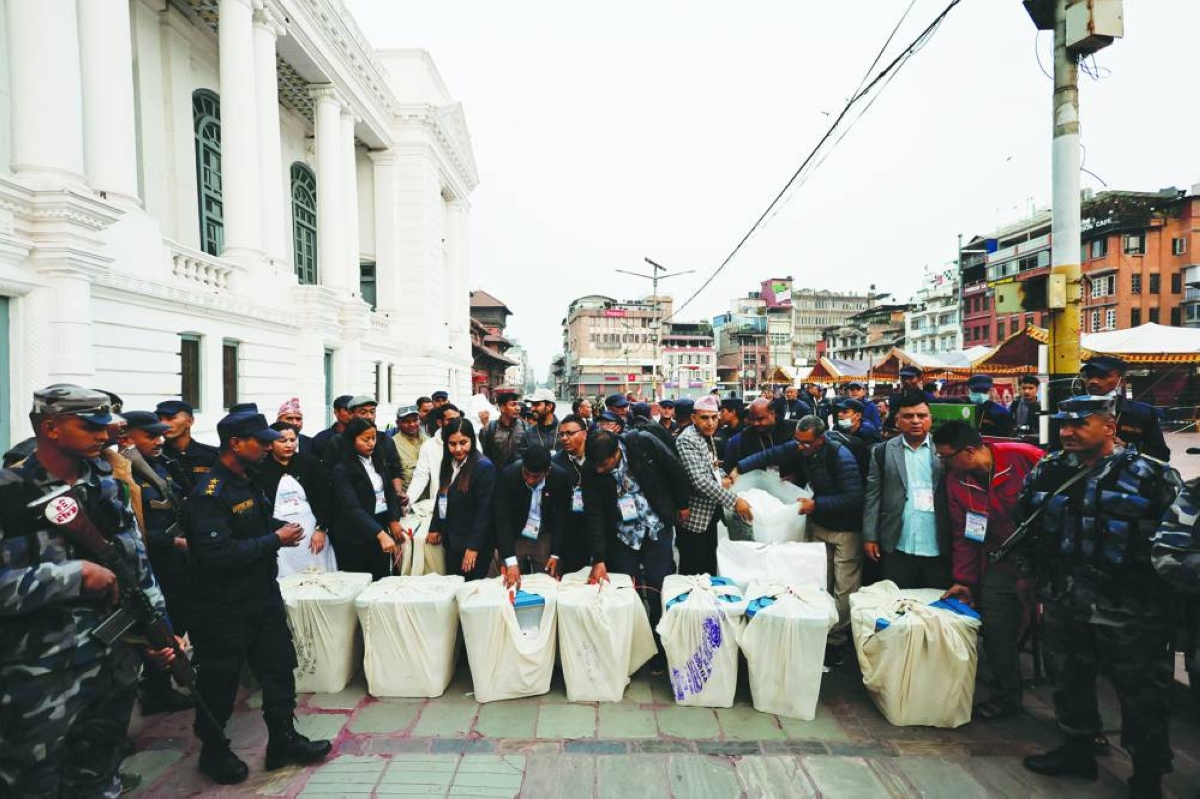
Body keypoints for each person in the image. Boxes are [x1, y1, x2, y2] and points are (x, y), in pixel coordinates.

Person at [0, 386, 178, 796]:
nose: (103, 435)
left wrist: (157, 630)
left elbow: (136, 564)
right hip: (37, 676)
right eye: (90, 426)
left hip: (110, 664)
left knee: (100, 775)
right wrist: (71, 576)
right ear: (51, 428)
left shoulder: (105, 483)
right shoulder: (9, 493)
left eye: (105, 426)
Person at [1016, 396, 1183, 797]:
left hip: (1131, 610)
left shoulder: (1152, 476)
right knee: (1068, 680)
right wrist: (1027, 576)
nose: (1067, 432)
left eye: (1080, 424)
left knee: (1142, 694)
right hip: (1065, 599)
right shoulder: (1048, 470)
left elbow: (1178, 543)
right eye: (1063, 424)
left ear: (1110, 427)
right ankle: (1077, 748)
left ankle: (1147, 775)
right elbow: (1026, 525)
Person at [185, 410, 330, 784]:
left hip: (261, 596)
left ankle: (283, 739)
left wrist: (277, 529)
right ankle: (214, 751)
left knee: (279, 668)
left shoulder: (248, 480)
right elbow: (217, 555)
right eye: (260, 440)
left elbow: (254, 527)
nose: (268, 446)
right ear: (235, 443)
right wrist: (274, 540)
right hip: (223, 607)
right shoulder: (210, 493)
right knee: (219, 683)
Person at [933, 420, 1044, 721]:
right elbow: (964, 532)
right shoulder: (956, 480)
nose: (942, 463)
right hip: (1001, 560)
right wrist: (964, 580)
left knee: (1059, 634)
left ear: (968, 451)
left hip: (1046, 560)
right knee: (996, 628)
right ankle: (1007, 696)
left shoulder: (1025, 457)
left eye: (945, 456)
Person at [735, 415, 864, 665]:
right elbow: (770, 455)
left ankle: (836, 642)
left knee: (844, 586)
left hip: (844, 529)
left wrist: (816, 504)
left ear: (820, 439)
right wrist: (739, 468)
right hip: (818, 523)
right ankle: (817, 630)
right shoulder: (801, 447)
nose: (800, 447)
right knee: (817, 582)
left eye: (806, 443)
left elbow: (854, 498)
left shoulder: (841, 457)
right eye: (798, 441)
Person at [581, 429, 691, 663]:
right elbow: (594, 515)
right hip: (623, 536)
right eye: (596, 466)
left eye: (604, 464)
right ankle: (629, 647)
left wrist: (682, 503)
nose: (600, 470)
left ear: (616, 453)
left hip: (655, 526)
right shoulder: (591, 470)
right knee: (623, 590)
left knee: (658, 587)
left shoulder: (643, 444)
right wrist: (598, 558)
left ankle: (660, 644)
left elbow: (675, 469)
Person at [120, 410, 196, 716]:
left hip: (176, 563)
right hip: (151, 564)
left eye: (160, 434)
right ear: (127, 438)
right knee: (151, 632)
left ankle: (160, 687)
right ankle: (154, 691)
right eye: (150, 436)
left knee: (174, 623)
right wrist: (174, 542)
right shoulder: (122, 475)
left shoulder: (162, 465)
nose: (159, 440)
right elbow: (131, 527)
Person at [863, 392, 950, 589]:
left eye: (922, 416)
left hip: (937, 542)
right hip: (898, 541)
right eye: (908, 416)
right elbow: (872, 495)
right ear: (897, 420)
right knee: (898, 603)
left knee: (935, 606)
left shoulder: (945, 450)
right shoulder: (882, 451)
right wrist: (870, 536)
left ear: (930, 419)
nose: (916, 421)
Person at [675, 396, 753, 575]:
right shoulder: (687, 439)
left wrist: (727, 477)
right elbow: (699, 480)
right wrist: (735, 501)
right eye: (704, 418)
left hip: (709, 516)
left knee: (708, 567)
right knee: (693, 572)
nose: (710, 423)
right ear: (694, 418)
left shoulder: (706, 435)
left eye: (714, 417)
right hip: (695, 520)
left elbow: (711, 466)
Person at [255, 421, 336, 578]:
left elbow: (325, 499)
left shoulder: (310, 464)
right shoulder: (260, 469)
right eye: (283, 441)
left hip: (311, 532)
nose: (289, 445)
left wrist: (321, 529)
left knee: (317, 575)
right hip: (278, 534)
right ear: (270, 444)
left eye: (293, 440)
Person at [329, 418, 404, 580]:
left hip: (379, 527)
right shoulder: (342, 469)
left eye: (374, 438)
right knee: (359, 582)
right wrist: (381, 534)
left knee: (381, 579)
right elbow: (352, 507)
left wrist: (393, 519)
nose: (371, 443)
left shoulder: (377, 461)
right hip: (355, 536)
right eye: (366, 439)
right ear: (352, 440)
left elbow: (388, 492)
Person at [430, 418, 497, 580]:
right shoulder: (448, 461)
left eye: (463, 442)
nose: (458, 449)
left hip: (473, 543)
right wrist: (435, 526)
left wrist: (473, 547)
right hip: (453, 539)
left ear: (472, 441)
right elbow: (442, 495)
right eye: (452, 444)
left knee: (470, 590)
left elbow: (485, 512)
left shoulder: (483, 467)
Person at [494, 445, 572, 586]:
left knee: (548, 582)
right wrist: (510, 561)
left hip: (543, 535)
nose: (530, 480)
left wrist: (555, 554)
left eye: (535, 477)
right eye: (526, 474)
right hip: (515, 535)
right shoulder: (508, 475)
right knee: (510, 581)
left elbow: (560, 519)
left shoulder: (559, 477)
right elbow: (502, 519)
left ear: (547, 472)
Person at [1080, 355, 1170, 461]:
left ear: (1122, 381)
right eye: (1089, 376)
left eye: (1102, 376)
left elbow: (1162, 455)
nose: (1093, 381)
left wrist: (1126, 447)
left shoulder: (1142, 413)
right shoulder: (1069, 409)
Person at [551, 414, 592, 573]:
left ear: (584, 433)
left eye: (570, 433)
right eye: (562, 434)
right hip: (572, 530)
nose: (565, 438)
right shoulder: (556, 464)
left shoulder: (597, 455)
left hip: (600, 525)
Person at [156, 398, 219, 493]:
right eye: (159, 419)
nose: (163, 424)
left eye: (170, 418)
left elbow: (216, 489)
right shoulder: (155, 457)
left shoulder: (212, 456)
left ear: (190, 421)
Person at [724, 397, 797, 476]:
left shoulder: (791, 430)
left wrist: (796, 476)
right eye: (752, 419)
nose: (756, 423)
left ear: (772, 413)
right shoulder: (746, 436)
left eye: (760, 419)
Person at [831, 397, 881, 480]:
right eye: (839, 411)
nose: (839, 414)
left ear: (858, 415)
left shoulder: (869, 436)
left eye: (845, 412)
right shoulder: (836, 431)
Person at [481, 391, 530, 469]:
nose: (518, 408)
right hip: (497, 477)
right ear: (502, 408)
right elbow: (486, 456)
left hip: (518, 476)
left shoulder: (525, 427)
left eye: (518, 404)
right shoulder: (489, 429)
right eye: (513, 404)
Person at [885, 365, 933, 433]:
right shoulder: (894, 397)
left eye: (911, 378)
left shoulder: (926, 397)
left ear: (919, 378)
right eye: (903, 378)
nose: (907, 381)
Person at [391, 404, 425, 498]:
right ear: (398, 423)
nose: (412, 424)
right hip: (407, 502)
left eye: (415, 420)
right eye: (406, 421)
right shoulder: (392, 444)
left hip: (430, 500)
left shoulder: (429, 441)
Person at [310, 395, 353, 459]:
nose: (352, 414)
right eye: (347, 410)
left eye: (354, 410)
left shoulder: (363, 436)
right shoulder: (321, 438)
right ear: (336, 412)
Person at [714, 397, 744, 472]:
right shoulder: (720, 432)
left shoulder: (745, 434)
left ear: (733, 412)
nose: (720, 415)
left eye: (722, 411)